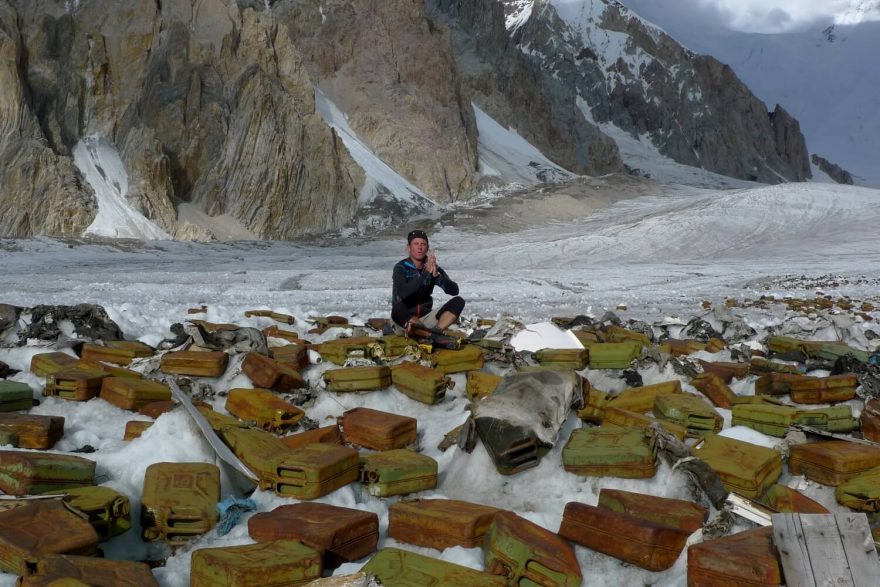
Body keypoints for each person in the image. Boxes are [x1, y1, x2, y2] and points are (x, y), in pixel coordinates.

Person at [391, 229, 465, 335]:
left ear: (427, 248)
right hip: (405, 319)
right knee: (398, 308)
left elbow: (454, 290)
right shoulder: (401, 267)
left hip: (426, 318)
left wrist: (437, 277)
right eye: (416, 244)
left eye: (423, 244)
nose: (420, 247)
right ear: (409, 247)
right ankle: (429, 334)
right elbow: (403, 293)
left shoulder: (433, 267)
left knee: (458, 302)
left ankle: (436, 331)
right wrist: (425, 274)